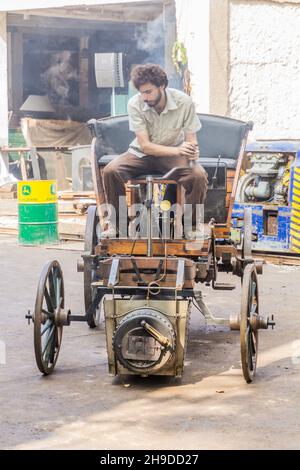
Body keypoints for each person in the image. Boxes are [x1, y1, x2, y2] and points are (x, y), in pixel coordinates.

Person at [101, 63, 208, 238]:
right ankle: (117, 227)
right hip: (142, 154)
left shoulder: (184, 102)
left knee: (198, 175)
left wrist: (193, 151)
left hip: (173, 154)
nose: (144, 97)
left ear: (162, 86)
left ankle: (191, 227)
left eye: (148, 92)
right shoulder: (134, 104)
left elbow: (191, 139)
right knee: (111, 170)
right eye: (141, 92)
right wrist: (179, 151)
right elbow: (146, 146)